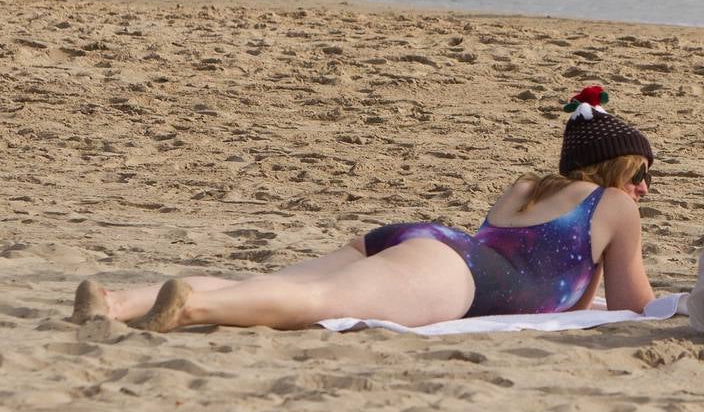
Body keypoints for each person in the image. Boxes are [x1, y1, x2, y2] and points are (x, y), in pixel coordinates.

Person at [70, 86, 657, 332]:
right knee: (318, 304)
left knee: (268, 281)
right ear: (618, 170)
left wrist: (588, 274)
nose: (646, 189)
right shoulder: (614, 207)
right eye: (642, 175)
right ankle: (193, 308)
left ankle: (115, 303)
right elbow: (635, 307)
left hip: (429, 243)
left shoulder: (527, 186)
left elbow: (545, 282)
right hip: (458, 277)